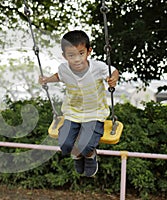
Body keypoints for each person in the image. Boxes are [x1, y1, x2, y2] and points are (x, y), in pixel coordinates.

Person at [39, 30, 119, 177]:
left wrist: (113, 78)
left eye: (81, 53)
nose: (77, 59)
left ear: (89, 51)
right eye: (71, 55)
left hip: (94, 114)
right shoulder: (64, 69)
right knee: (65, 144)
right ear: (64, 56)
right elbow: (59, 76)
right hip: (72, 113)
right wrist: (47, 80)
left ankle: (89, 155)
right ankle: (77, 156)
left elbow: (113, 71)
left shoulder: (98, 67)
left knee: (85, 145)